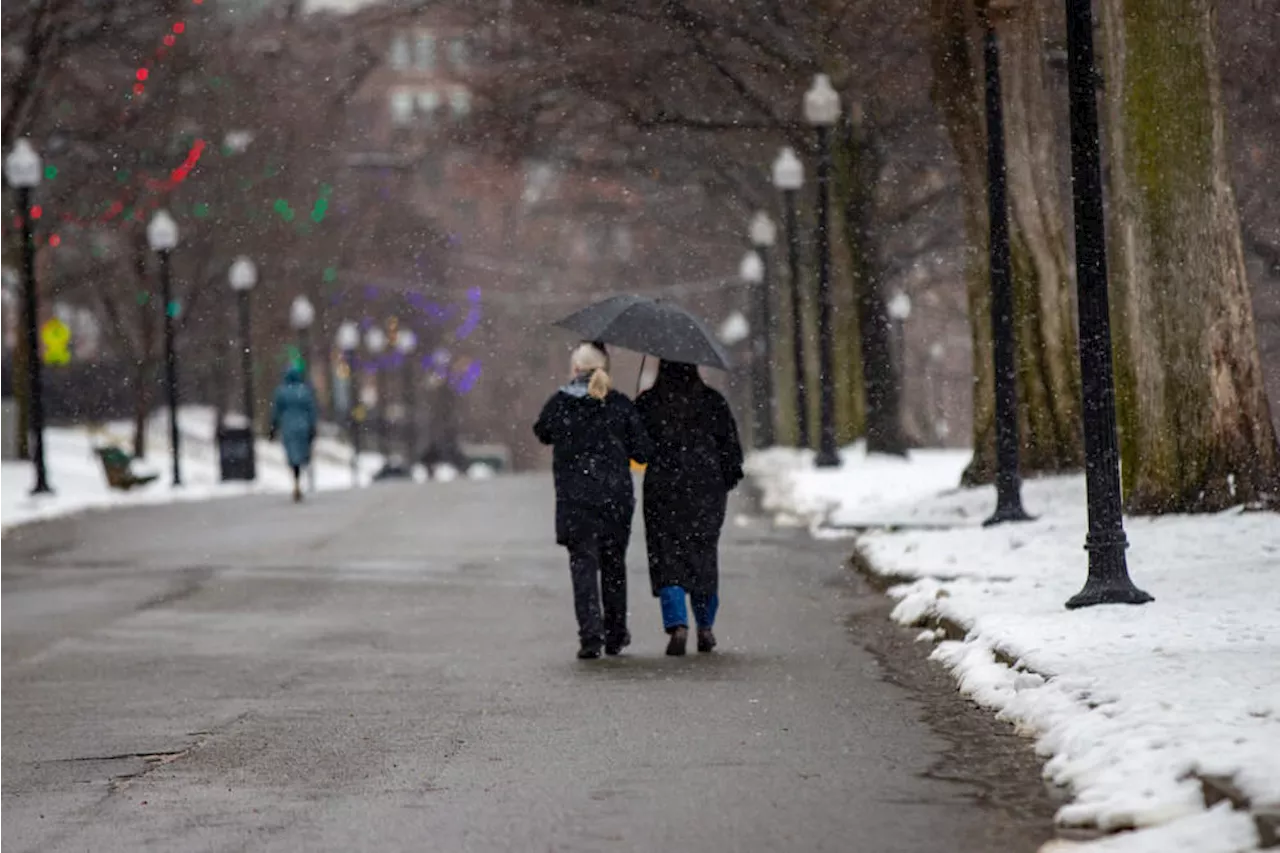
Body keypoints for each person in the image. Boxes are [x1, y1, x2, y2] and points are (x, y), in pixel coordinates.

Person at [534, 342, 653, 660]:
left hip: (576, 500)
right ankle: (615, 635)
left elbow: (542, 432)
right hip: (615, 498)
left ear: (575, 369)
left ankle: (590, 636)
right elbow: (642, 452)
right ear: (605, 370)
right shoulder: (619, 404)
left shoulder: (560, 403)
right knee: (614, 565)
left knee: (583, 566)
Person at [635, 361, 744, 656]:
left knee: (666, 553)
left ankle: (677, 623)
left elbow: (638, 450)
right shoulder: (713, 402)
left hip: (664, 488)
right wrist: (722, 479)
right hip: (705, 488)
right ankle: (705, 625)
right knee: (703, 554)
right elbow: (732, 453)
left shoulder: (649, 402)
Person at [270, 364, 319, 502]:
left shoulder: (281, 391)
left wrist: (273, 427)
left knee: (292, 456)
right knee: (303, 454)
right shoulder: (304, 391)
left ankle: (296, 480)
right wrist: (313, 426)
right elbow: (312, 410)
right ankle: (300, 478)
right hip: (303, 427)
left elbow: (275, 412)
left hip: (288, 427)